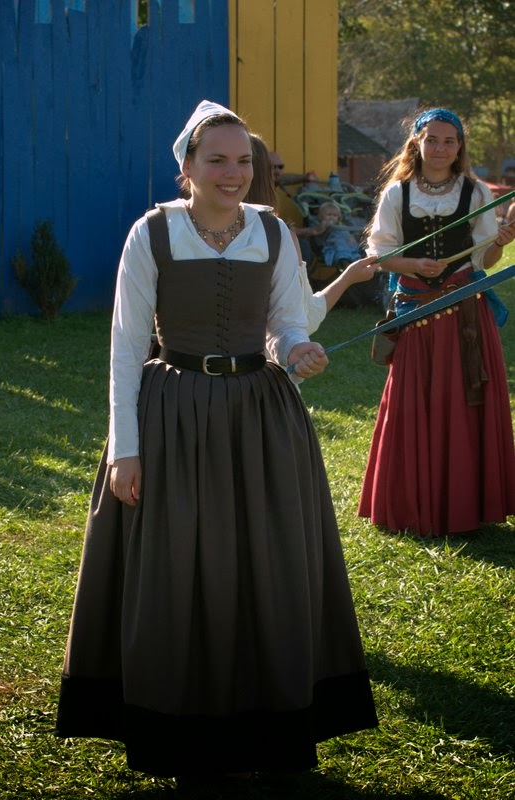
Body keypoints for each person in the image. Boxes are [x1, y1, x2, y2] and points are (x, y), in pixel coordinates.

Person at [56, 100, 378, 784]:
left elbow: (289, 322)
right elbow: (123, 347)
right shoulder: (153, 234)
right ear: (186, 168)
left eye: (242, 161)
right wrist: (125, 447)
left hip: (260, 421)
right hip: (172, 413)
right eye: (216, 161)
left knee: (267, 563)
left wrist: (297, 350)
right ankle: (176, 727)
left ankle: (268, 723)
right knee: (178, 565)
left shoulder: (271, 229)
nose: (233, 173)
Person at [358, 107, 515, 538]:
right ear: (417, 143)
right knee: (413, 400)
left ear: (460, 146)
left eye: (449, 140)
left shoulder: (476, 191)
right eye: (432, 139)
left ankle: (465, 503)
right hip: (417, 310)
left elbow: (483, 258)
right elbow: (380, 254)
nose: (441, 148)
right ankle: (412, 501)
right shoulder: (398, 193)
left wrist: (501, 242)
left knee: (467, 398)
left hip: (466, 309)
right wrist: (415, 263)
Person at [247, 134, 380, 333]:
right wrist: (347, 278)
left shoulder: (187, 232)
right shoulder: (278, 234)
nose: (277, 173)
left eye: (279, 168)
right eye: (271, 168)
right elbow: (305, 317)